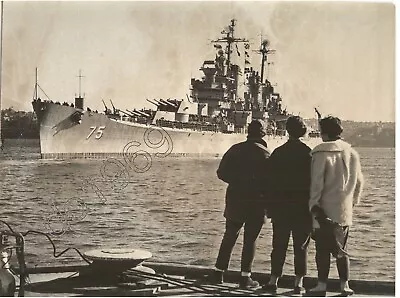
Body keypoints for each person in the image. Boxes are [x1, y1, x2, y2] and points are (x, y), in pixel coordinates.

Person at [210, 119, 271, 289]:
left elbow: (221, 173)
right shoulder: (266, 154)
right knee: (250, 240)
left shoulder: (235, 149)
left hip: (236, 199)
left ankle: (218, 273)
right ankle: (245, 278)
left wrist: (237, 182)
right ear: (263, 134)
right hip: (257, 203)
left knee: (229, 236)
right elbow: (271, 182)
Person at [307, 116, 364, 296]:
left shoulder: (321, 153)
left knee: (322, 250)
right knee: (341, 249)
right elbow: (360, 182)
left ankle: (322, 285)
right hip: (344, 210)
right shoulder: (352, 153)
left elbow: (316, 184)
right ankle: (344, 285)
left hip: (324, 210)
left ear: (324, 132)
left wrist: (313, 205)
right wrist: (353, 202)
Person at [262, 116, 312, 295]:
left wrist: (268, 207)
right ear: (303, 131)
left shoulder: (278, 153)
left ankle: (273, 280)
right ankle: (298, 284)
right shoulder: (309, 154)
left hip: (280, 208)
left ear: (287, 130)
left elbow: (268, 182)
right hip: (302, 209)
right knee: (301, 247)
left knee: (278, 246)